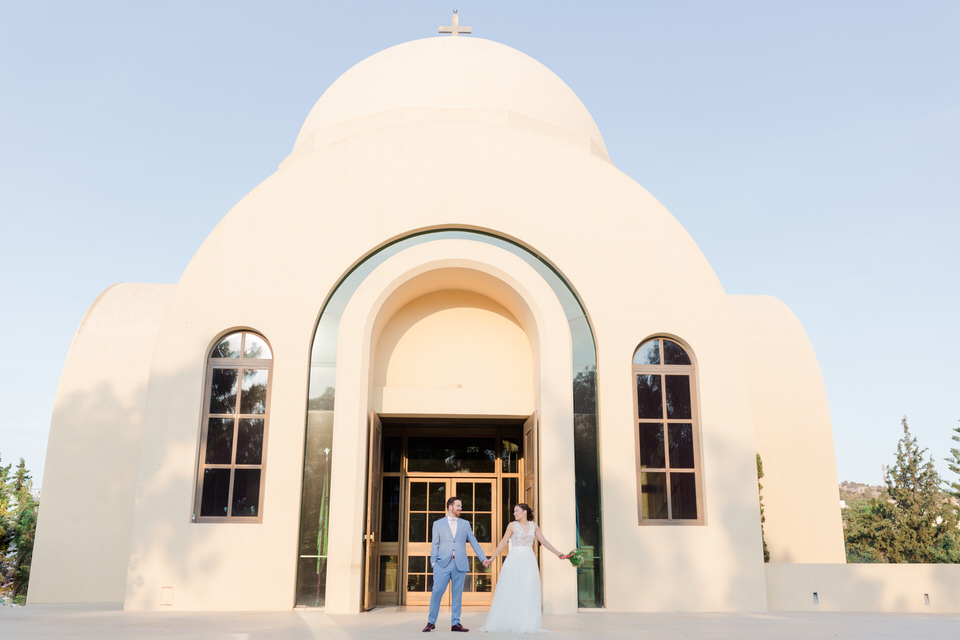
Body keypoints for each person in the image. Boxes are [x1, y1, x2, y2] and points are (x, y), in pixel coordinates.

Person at [480, 503, 564, 633]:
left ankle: (526, 622)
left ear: (524, 512)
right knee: (513, 588)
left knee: (528, 589)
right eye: (514, 511)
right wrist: (492, 558)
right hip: (514, 559)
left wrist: (558, 553)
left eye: (516, 511)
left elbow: (544, 541)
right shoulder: (512, 526)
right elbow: (503, 542)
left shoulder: (534, 526)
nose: (514, 513)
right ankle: (510, 621)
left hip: (529, 560)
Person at [423, 496, 489, 633]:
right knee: (437, 592)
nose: (460, 508)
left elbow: (474, 542)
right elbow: (434, 544)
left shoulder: (465, 524)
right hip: (442, 564)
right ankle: (431, 622)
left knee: (457, 594)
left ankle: (455, 623)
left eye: (461, 506)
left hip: (460, 564)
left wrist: (483, 559)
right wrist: (433, 562)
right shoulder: (438, 524)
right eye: (458, 506)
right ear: (450, 507)